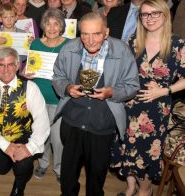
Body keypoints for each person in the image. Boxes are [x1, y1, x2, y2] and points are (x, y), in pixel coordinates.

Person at [52, 12, 140, 195]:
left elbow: (132, 85)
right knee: (68, 173)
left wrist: (112, 92)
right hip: (73, 120)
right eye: (84, 34)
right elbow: (58, 77)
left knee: (97, 174)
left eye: (96, 34)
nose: (90, 40)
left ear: (106, 32)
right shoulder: (69, 48)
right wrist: (68, 88)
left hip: (102, 124)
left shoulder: (122, 51)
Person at [112, 0, 185, 196]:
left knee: (143, 155)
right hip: (127, 105)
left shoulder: (177, 45)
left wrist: (164, 90)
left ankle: (145, 191)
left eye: (155, 13)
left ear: (165, 14)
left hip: (155, 110)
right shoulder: (133, 41)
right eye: (145, 14)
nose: (149, 18)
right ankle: (130, 187)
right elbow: (119, 70)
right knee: (125, 148)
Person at [0, 47, 50, 196]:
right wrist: (5, 146)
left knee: (23, 165)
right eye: (1, 65)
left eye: (10, 64)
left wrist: (30, 148)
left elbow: (42, 120)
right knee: (1, 170)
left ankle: (19, 186)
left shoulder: (30, 87)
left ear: (18, 66)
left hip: (22, 138)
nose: (6, 69)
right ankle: (9, 161)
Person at [26, 9, 69, 182]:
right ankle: (43, 164)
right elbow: (30, 69)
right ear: (43, 26)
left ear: (61, 26)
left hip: (59, 99)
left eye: (56, 23)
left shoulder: (70, 45)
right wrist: (27, 73)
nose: (52, 28)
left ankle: (59, 168)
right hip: (38, 99)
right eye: (48, 23)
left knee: (58, 139)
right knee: (41, 134)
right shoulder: (35, 44)